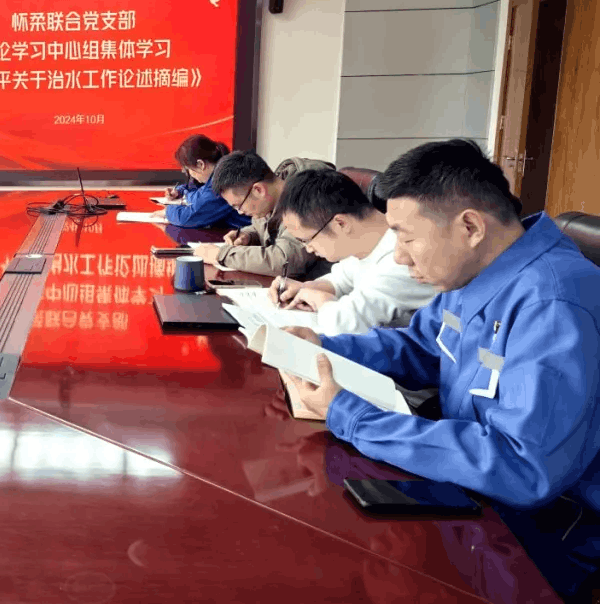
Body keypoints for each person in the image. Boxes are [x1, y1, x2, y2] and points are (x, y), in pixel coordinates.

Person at [273, 140, 600, 602]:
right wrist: (326, 349)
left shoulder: (552, 305)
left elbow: (523, 467)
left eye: (407, 238)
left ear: (470, 226)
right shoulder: (476, 272)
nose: (399, 257)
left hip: (541, 536)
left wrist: (353, 416)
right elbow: (422, 346)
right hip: (472, 487)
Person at [267, 169, 435, 335]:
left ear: (340, 223)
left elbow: (344, 324)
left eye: (306, 240)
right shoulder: (366, 242)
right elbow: (341, 279)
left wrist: (323, 301)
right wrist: (304, 288)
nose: (308, 248)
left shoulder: (402, 258)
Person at [193, 150, 334, 276]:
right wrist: (248, 235)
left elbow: (285, 261)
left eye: (239, 206)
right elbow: (266, 226)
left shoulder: (308, 197)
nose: (240, 212)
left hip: (323, 288)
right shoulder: (273, 195)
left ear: (258, 190)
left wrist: (222, 255)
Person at [153, 135, 250, 230]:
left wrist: (167, 211)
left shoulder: (222, 184)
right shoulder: (220, 173)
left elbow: (186, 218)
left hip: (247, 233)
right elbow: (197, 193)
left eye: (189, 169)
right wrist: (179, 192)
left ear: (200, 164)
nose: (190, 174)